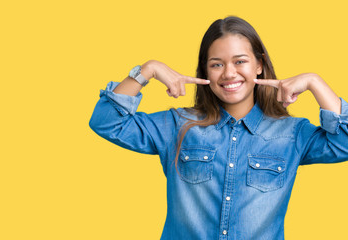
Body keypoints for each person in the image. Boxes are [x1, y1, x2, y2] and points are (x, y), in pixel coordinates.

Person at [89, 16, 348, 239]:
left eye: (240, 61)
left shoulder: (292, 134)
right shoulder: (178, 125)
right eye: (216, 64)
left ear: (259, 65)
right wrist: (148, 70)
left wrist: (316, 83)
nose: (228, 73)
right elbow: (106, 121)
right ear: (206, 70)